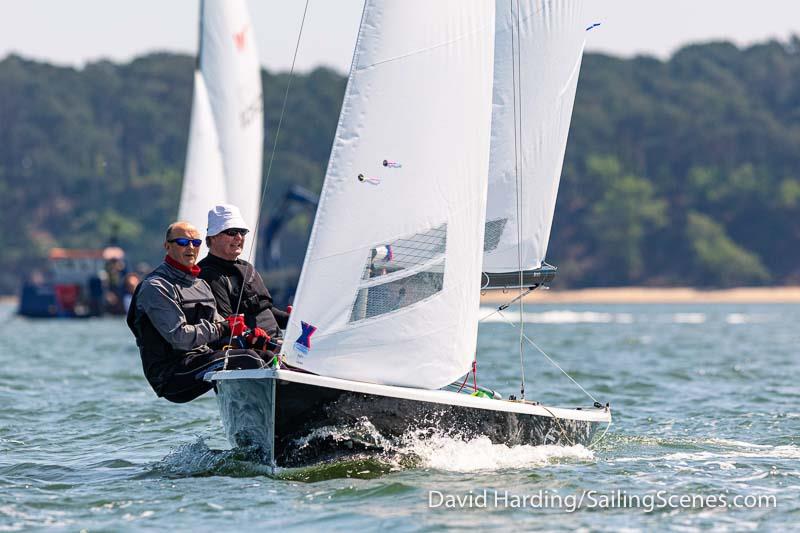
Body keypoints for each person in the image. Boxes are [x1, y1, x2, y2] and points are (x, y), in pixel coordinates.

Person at [126, 221, 272, 403]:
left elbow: (220, 324)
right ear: (167, 246)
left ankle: (288, 415)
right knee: (247, 359)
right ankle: (260, 416)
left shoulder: (200, 284)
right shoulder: (155, 287)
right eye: (182, 242)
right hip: (170, 373)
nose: (190, 247)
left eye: (195, 243)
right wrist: (223, 328)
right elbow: (180, 337)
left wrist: (247, 335)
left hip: (201, 359)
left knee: (268, 355)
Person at [198, 204, 290, 351]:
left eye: (242, 232)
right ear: (213, 237)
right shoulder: (207, 274)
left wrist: (294, 319)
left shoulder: (247, 268)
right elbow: (227, 324)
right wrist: (262, 342)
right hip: (250, 352)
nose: (239, 237)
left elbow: (266, 310)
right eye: (232, 232)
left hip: (277, 345)